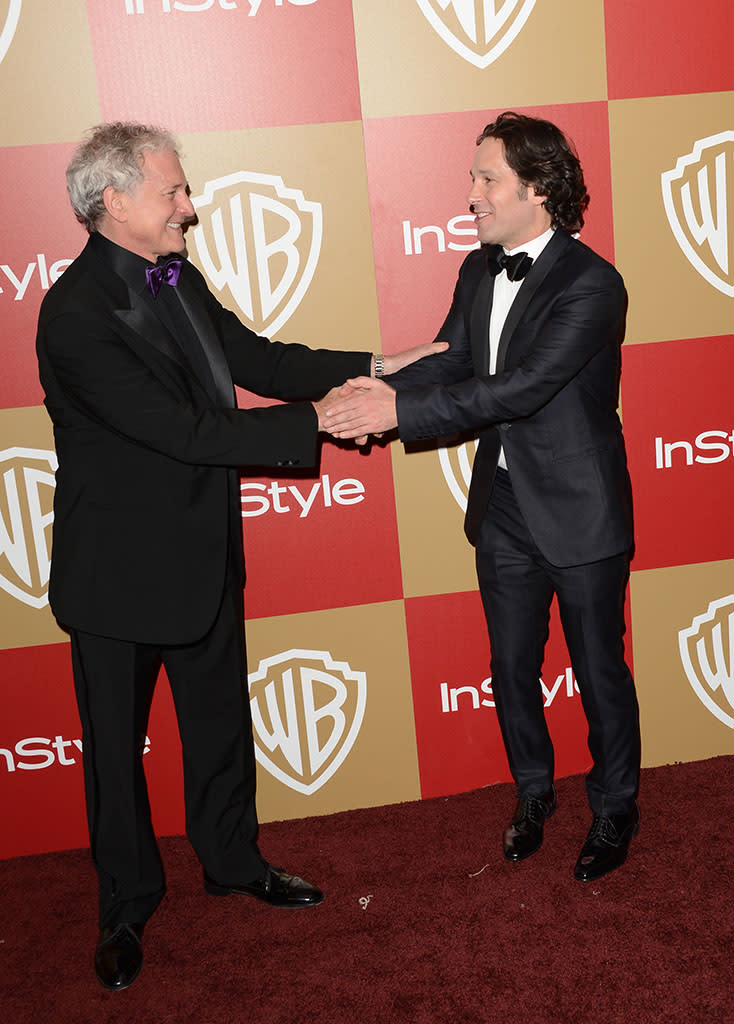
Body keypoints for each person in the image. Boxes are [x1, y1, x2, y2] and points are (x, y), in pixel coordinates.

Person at [36, 121, 445, 992]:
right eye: (174, 191)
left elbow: (253, 357)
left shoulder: (175, 275)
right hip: (115, 577)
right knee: (115, 753)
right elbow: (179, 431)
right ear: (114, 202)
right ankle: (124, 905)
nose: (193, 204)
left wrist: (375, 365)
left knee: (221, 727)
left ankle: (232, 862)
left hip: (202, 552)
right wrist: (324, 424)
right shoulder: (74, 314)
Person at [325, 111, 641, 884]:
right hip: (503, 504)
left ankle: (615, 805)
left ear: (537, 189)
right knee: (509, 664)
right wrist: (378, 389)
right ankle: (534, 792)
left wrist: (397, 416)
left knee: (600, 668)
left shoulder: (593, 283)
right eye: (473, 177)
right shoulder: (477, 267)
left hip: (580, 506)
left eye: (486, 177)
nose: (470, 193)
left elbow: (523, 388)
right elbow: (455, 360)